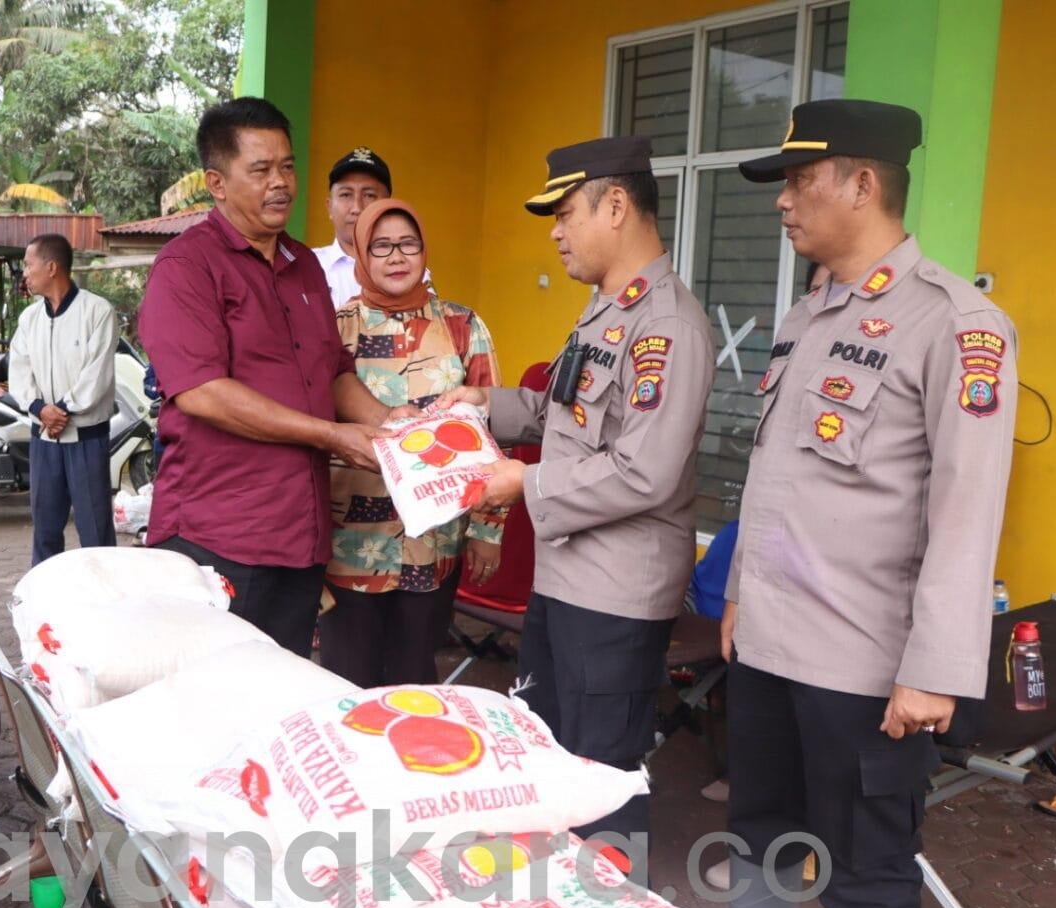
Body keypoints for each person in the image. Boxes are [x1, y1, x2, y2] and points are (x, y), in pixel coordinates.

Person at [718, 99, 1018, 908]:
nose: (784, 203)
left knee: (871, 872)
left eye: (803, 181)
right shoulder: (808, 315)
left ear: (862, 182)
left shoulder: (957, 325)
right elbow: (775, 479)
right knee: (759, 838)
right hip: (769, 648)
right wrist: (736, 598)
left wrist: (935, 671)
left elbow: (967, 515)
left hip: (866, 668)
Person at [439, 137, 716, 845]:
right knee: (548, 763)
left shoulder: (667, 326)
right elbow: (561, 415)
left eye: (565, 214)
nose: (556, 233)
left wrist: (522, 480)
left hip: (615, 597)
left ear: (615, 205)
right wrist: (482, 404)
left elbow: (642, 470)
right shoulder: (605, 313)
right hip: (567, 581)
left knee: (599, 786)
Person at [138, 97, 392, 656]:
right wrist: (330, 436)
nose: (281, 183)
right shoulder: (186, 267)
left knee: (279, 700)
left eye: (287, 166)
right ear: (217, 182)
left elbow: (333, 372)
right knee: (213, 702)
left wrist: (390, 423)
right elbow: (203, 392)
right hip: (220, 533)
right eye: (260, 170)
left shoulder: (304, 265)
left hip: (300, 535)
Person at [322, 199, 503, 686]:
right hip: (351, 543)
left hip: (435, 541)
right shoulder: (336, 328)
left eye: (408, 244)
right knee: (348, 682)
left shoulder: (462, 326)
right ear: (361, 253)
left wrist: (488, 531)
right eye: (381, 246)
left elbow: (492, 433)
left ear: (425, 251)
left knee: (415, 681)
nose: (396, 256)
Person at [8, 233, 118, 565]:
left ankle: (106, 606)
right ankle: (44, 605)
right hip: (44, 439)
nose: (24, 272)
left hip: (86, 440)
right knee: (45, 531)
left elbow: (96, 374)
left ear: (51, 267)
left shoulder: (97, 311)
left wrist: (64, 410)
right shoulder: (29, 319)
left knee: (95, 533)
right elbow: (19, 369)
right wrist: (41, 409)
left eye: (29, 265)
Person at [311, 148, 392, 307]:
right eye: (346, 195)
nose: (357, 208)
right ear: (329, 207)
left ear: (388, 207)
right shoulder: (306, 266)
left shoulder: (407, 271)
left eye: (369, 195)